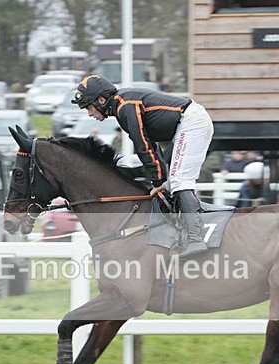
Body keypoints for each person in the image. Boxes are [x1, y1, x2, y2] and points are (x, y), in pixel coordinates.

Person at [71, 74, 213, 258]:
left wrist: (158, 181)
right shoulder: (122, 105)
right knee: (174, 181)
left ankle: (196, 238)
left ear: (101, 100)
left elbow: (143, 146)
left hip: (191, 122)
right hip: (190, 122)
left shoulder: (125, 106)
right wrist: (160, 181)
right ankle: (187, 231)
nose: (90, 114)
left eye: (89, 107)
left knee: (179, 181)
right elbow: (151, 146)